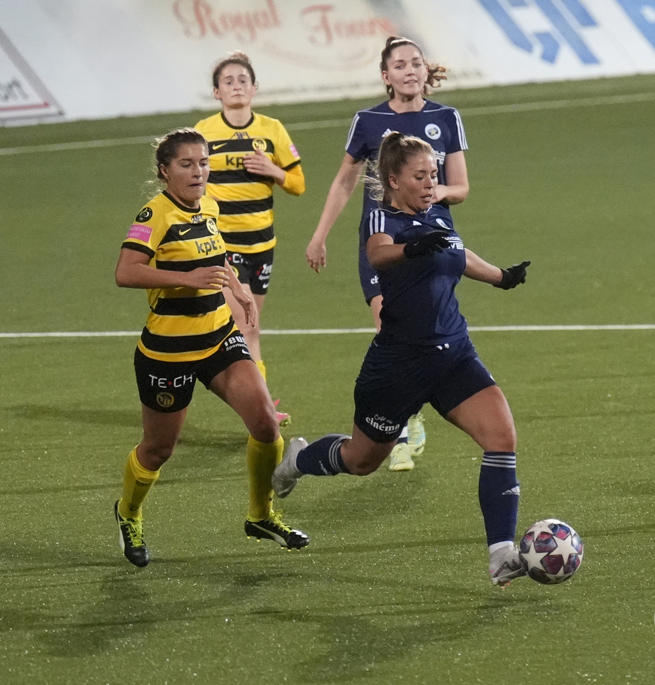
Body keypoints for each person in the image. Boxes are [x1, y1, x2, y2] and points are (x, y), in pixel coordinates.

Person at [273, 132, 530, 586]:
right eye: (420, 175)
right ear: (394, 179)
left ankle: (501, 552)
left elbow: (458, 253)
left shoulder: (436, 213)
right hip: (397, 366)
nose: (431, 182)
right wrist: (411, 248)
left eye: (434, 173)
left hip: (453, 354)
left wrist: (501, 277)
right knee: (362, 460)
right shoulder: (381, 215)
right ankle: (298, 459)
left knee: (502, 437)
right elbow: (378, 253)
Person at [113, 128, 309, 568]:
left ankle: (260, 516)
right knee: (158, 450)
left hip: (219, 337)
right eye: (187, 164)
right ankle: (128, 512)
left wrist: (237, 289)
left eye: (203, 163)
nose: (198, 171)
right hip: (170, 351)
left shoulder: (209, 205)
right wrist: (187, 279)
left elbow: (216, 257)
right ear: (165, 171)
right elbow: (126, 271)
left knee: (264, 425)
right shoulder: (154, 214)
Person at [304, 36, 468, 471]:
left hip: (433, 242)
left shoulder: (445, 117)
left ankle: (407, 414)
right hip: (381, 243)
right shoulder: (368, 121)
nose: (409, 70)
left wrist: (435, 192)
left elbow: (462, 187)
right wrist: (319, 235)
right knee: (387, 321)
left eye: (416, 63)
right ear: (385, 76)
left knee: (423, 324)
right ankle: (399, 425)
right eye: (399, 65)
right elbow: (344, 181)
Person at [195, 51, 306, 425]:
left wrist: (273, 169)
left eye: (243, 79)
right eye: (228, 81)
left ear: (254, 87)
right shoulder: (204, 133)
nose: (236, 86)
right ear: (216, 92)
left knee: (252, 326)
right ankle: (261, 412)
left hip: (263, 244)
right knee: (243, 326)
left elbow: (298, 184)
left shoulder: (272, 130)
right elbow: (189, 183)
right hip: (225, 246)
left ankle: (261, 408)